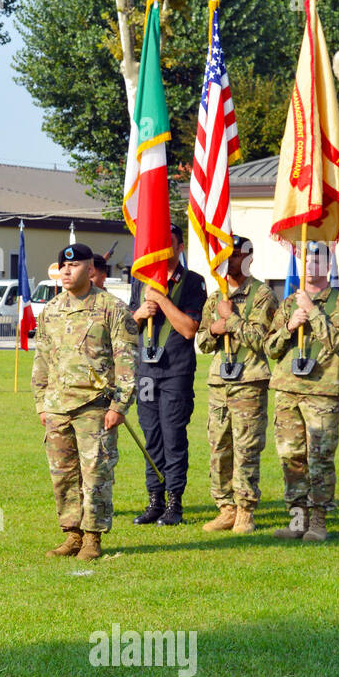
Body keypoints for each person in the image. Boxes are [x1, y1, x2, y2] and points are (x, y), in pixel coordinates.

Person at [32, 243, 138, 560]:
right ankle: (72, 534)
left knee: (96, 474)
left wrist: (119, 406)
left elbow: (128, 362)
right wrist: (41, 403)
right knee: (63, 474)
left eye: (74, 265)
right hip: (56, 406)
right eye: (62, 266)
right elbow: (42, 361)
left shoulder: (112, 308)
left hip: (95, 406)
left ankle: (93, 537)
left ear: (90, 270)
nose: (66, 271)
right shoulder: (50, 310)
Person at [264, 242, 339, 542]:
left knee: (320, 459)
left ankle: (318, 522)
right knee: (291, 457)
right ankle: (296, 521)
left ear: (329, 265)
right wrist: (290, 325)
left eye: (319, 258)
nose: (312, 263)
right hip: (287, 390)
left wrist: (313, 312)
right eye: (307, 257)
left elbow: (338, 343)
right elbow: (270, 348)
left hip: (321, 392)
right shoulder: (289, 302)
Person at [195, 236, 278, 533]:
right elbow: (203, 341)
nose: (227, 261)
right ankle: (226, 507)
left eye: (234, 255)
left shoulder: (262, 295)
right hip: (219, 382)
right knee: (219, 446)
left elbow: (261, 340)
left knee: (247, 447)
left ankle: (245, 509)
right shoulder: (216, 296)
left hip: (249, 381)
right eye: (224, 255)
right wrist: (216, 328)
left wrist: (231, 321)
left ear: (248, 257)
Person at [128, 224, 207, 526]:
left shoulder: (192, 282)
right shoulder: (140, 281)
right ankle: (154, 500)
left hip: (175, 371)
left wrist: (161, 300)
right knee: (152, 437)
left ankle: (174, 501)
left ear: (180, 247)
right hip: (146, 372)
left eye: (169, 243)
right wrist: (139, 314)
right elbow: (127, 329)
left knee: (173, 437)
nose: (163, 249)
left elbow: (189, 329)